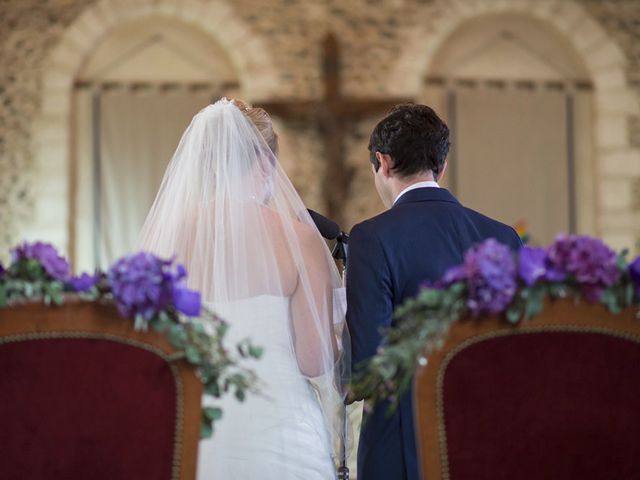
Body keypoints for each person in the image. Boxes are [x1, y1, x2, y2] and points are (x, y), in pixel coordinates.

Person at [139, 98, 350, 479]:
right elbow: (313, 359)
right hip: (281, 430)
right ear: (267, 163)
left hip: (197, 425)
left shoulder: (169, 236)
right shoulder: (301, 242)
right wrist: (339, 334)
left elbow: (152, 344)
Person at [346, 104, 522, 480]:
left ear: (384, 162)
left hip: (403, 443)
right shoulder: (503, 237)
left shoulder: (371, 237)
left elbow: (365, 368)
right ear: (441, 166)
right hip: (486, 435)